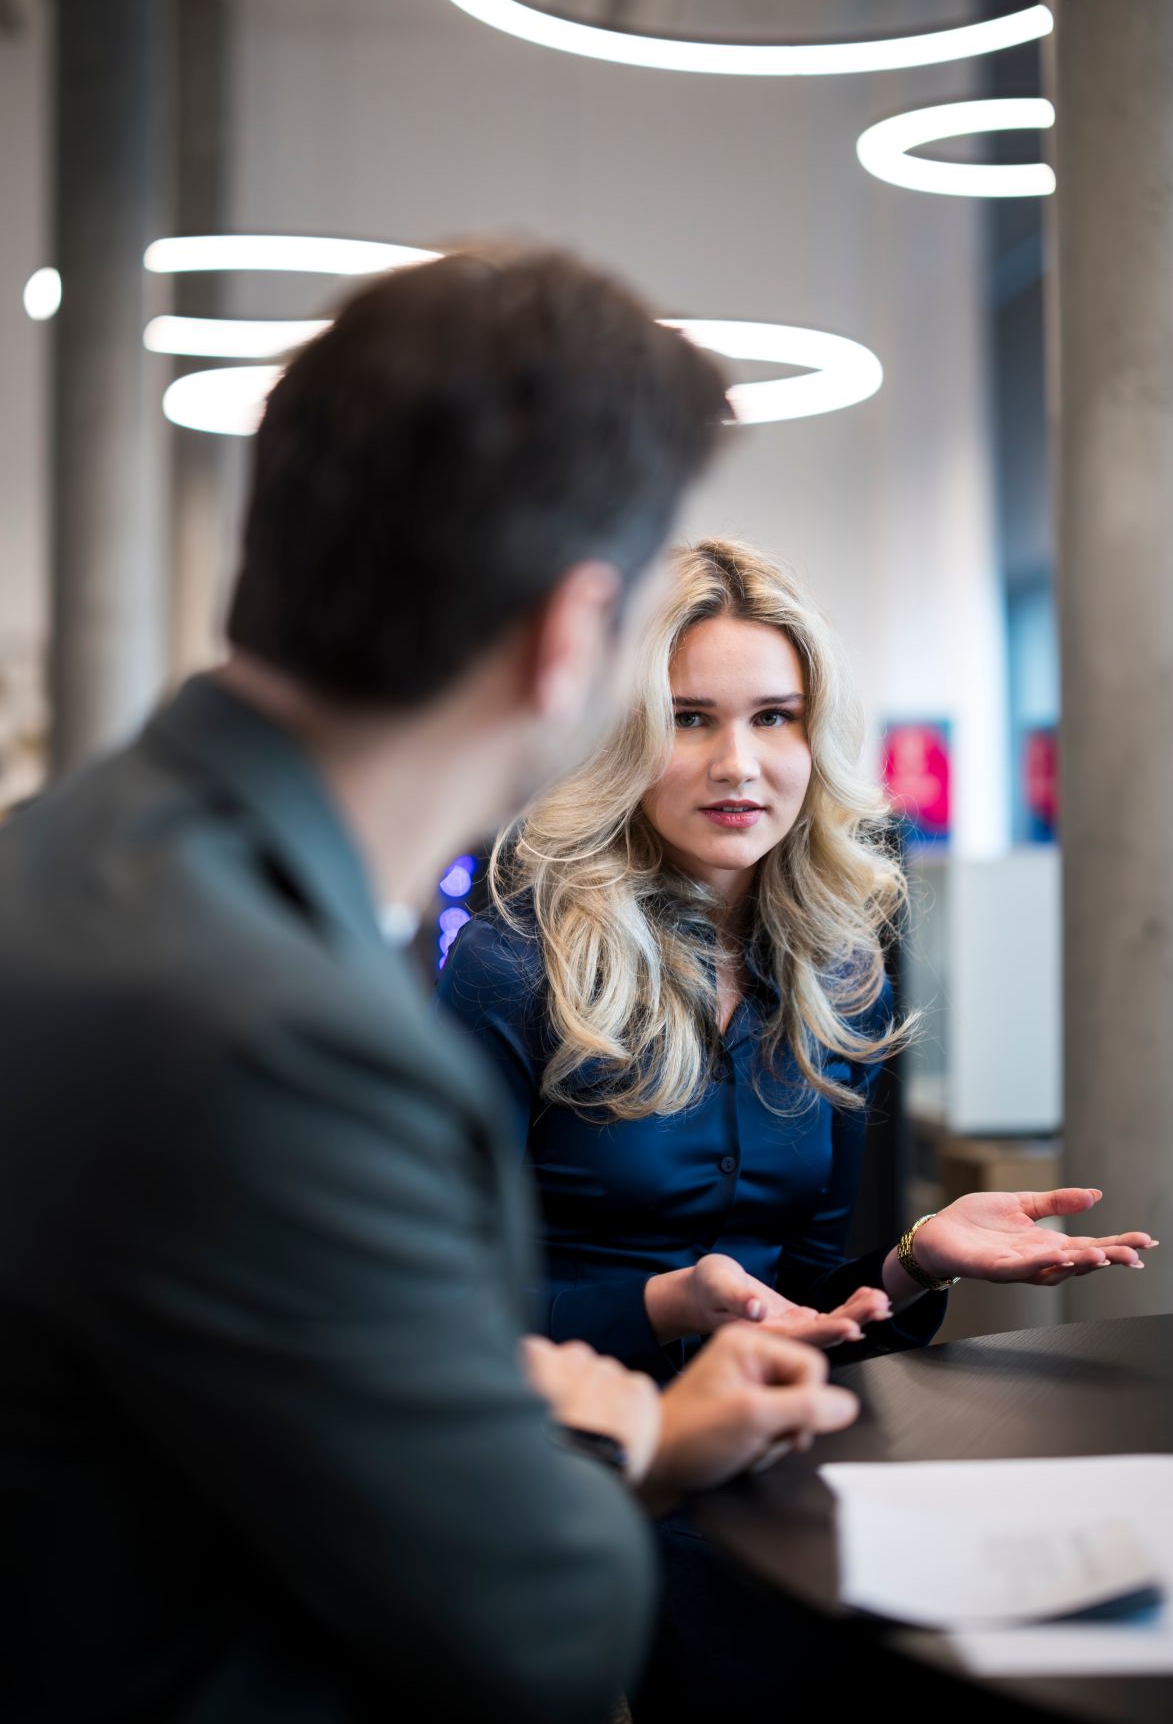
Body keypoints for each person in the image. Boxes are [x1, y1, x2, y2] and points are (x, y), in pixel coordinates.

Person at [0, 252, 863, 1724]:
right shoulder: (286, 1034)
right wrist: (614, 1438)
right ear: (572, 639)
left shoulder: (71, 860)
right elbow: (539, 1624)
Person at [436, 537, 1157, 1717]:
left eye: (775, 716)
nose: (740, 763)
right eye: (690, 718)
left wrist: (916, 1259)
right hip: (564, 1467)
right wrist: (668, 1302)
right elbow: (431, 1316)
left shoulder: (839, 973)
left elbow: (811, 1300)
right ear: (623, 734)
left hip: (771, 1462)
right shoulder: (513, 968)